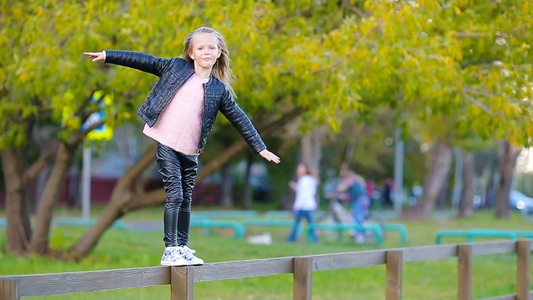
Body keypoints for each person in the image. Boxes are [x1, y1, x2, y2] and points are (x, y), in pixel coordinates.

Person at [83, 27, 280, 266]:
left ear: (219, 53)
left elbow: (240, 119)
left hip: (190, 150)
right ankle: (170, 249)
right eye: (201, 47)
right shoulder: (176, 68)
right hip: (167, 141)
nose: (206, 51)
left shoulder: (219, 90)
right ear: (191, 53)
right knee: (175, 195)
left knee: (186, 199)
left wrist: (260, 148)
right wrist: (108, 55)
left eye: (211, 47)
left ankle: (183, 247)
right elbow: (145, 61)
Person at [286, 163, 319, 243]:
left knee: (297, 224)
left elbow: (303, 195)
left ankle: (290, 240)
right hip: (310, 205)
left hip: (303, 206)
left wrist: (296, 206)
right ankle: (316, 240)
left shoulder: (303, 179)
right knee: (312, 225)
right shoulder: (312, 179)